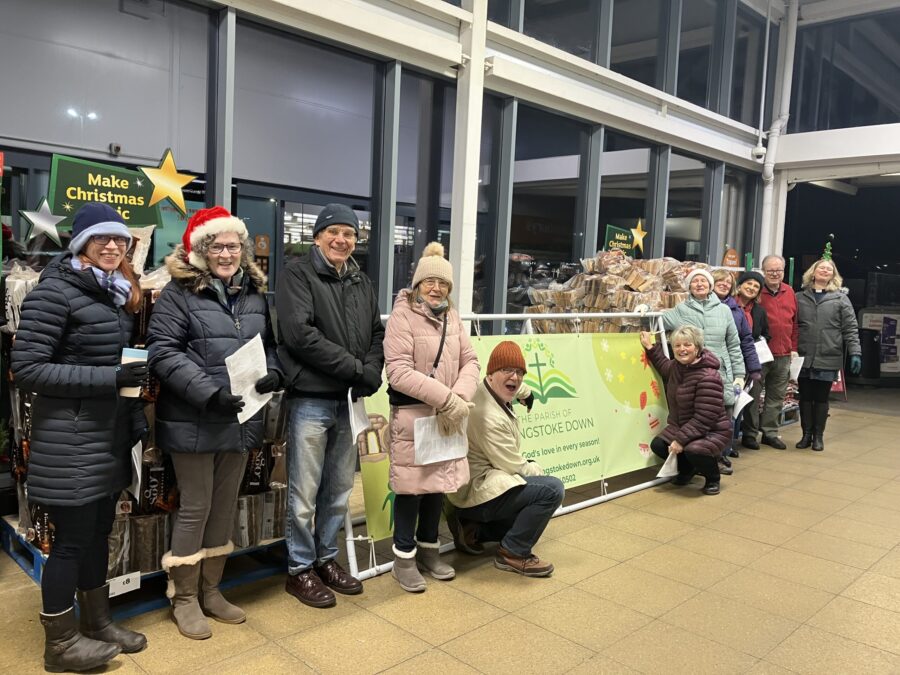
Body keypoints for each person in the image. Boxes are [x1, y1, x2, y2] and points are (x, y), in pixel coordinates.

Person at [12, 203, 148, 671]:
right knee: (71, 542)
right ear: (81, 245)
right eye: (100, 239)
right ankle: (60, 643)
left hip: (105, 436)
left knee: (97, 535)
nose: (112, 247)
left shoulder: (112, 294)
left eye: (120, 240)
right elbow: (27, 369)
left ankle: (98, 623)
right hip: (70, 438)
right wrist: (109, 377)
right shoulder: (55, 293)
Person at [147, 207, 281, 639]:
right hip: (195, 417)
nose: (227, 253)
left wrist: (274, 371)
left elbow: (269, 345)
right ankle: (183, 597)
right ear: (201, 250)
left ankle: (211, 589)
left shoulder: (254, 293)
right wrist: (208, 393)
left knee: (224, 506)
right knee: (196, 507)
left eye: (234, 245)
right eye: (217, 245)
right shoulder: (178, 294)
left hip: (241, 418)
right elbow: (163, 353)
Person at [275, 203, 384, 608]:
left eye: (350, 234)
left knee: (338, 489)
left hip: (348, 402)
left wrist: (373, 369)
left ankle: (326, 559)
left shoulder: (361, 280)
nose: (342, 240)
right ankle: (299, 569)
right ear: (318, 236)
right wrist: (357, 369)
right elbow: (299, 335)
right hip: (311, 400)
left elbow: (376, 331)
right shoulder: (297, 275)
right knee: (303, 492)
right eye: (334, 232)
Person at [383, 242, 480, 592]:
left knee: (438, 486)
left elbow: (471, 360)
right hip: (414, 417)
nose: (437, 288)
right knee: (411, 489)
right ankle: (403, 558)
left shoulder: (452, 317)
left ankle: (429, 551)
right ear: (417, 284)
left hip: (448, 417)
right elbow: (398, 371)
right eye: (430, 282)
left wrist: (460, 398)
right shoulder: (402, 316)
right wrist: (447, 400)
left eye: (444, 284)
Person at [446, 341, 563, 576]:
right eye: (507, 370)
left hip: (476, 485)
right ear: (491, 374)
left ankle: (474, 530)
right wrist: (539, 471)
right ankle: (513, 553)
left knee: (526, 518)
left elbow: (512, 383)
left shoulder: (486, 387)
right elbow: (513, 466)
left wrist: (527, 393)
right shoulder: (488, 417)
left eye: (520, 372)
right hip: (477, 489)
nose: (515, 377)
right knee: (551, 490)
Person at [641, 326, 731, 495]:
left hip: (712, 430)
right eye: (677, 345)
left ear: (697, 348)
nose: (682, 349)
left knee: (694, 449)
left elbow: (704, 418)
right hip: (683, 426)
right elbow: (663, 366)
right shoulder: (677, 367)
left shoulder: (708, 376)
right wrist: (650, 347)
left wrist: (680, 441)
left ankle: (713, 477)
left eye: (687, 345)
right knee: (659, 445)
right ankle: (688, 469)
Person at [795, 258, 861, 451]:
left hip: (828, 354)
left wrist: (855, 352)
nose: (824, 271)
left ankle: (818, 436)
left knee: (821, 398)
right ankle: (806, 434)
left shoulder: (841, 299)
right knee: (805, 397)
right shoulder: (799, 297)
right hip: (804, 354)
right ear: (813, 272)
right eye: (821, 268)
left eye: (829, 269)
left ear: (833, 275)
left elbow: (850, 328)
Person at [662, 269, 746, 411]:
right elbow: (656, 321)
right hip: (691, 374)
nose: (699, 284)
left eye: (703, 281)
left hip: (721, 373)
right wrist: (645, 309)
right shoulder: (680, 310)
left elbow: (733, 345)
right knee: (694, 415)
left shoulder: (724, 310)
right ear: (689, 287)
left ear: (710, 285)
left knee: (723, 417)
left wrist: (739, 374)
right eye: (695, 281)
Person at [745, 255, 799, 450]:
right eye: (770, 270)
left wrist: (793, 348)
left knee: (776, 397)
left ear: (783, 271)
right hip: (759, 354)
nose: (775, 273)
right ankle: (750, 434)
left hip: (783, 354)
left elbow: (794, 324)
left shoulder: (790, 292)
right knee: (753, 394)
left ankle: (770, 433)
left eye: (778, 270)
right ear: (763, 271)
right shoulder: (757, 293)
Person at [711, 269, 761, 469]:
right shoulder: (700, 306)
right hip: (705, 369)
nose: (723, 284)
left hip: (730, 368)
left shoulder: (736, 311)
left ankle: (723, 453)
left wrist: (753, 366)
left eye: (727, 282)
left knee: (728, 413)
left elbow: (746, 341)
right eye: (719, 281)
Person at [735, 271, 771, 448]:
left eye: (756, 286)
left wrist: (760, 343)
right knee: (731, 399)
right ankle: (730, 439)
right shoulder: (728, 305)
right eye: (748, 283)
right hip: (732, 360)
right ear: (739, 285)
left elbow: (766, 334)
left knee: (752, 398)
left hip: (752, 361)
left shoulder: (759, 312)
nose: (752, 288)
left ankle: (749, 435)